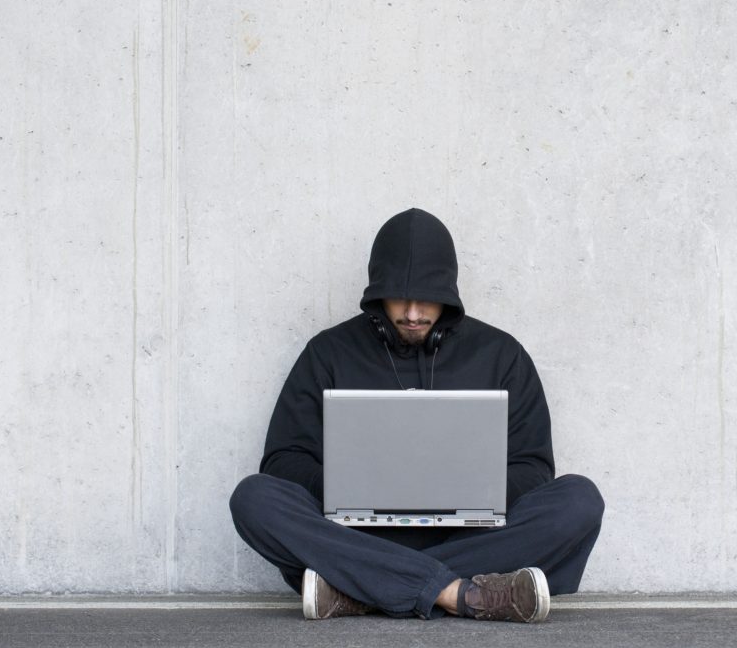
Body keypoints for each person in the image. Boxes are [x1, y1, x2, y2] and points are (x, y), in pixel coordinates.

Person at [229, 208, 604, 622]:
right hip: (357, 536)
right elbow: (283, 461)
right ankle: (460, 592)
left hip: (468, 536)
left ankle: (361, 590)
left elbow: (533, 468)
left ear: (450, 292)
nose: (412, 313)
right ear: (376, 293)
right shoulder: (328, 352)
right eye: (398, 298)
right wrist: (353, 484)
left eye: (427, 298)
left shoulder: (502, 355)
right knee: (253, 498)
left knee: (579, 501)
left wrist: (462, 487)